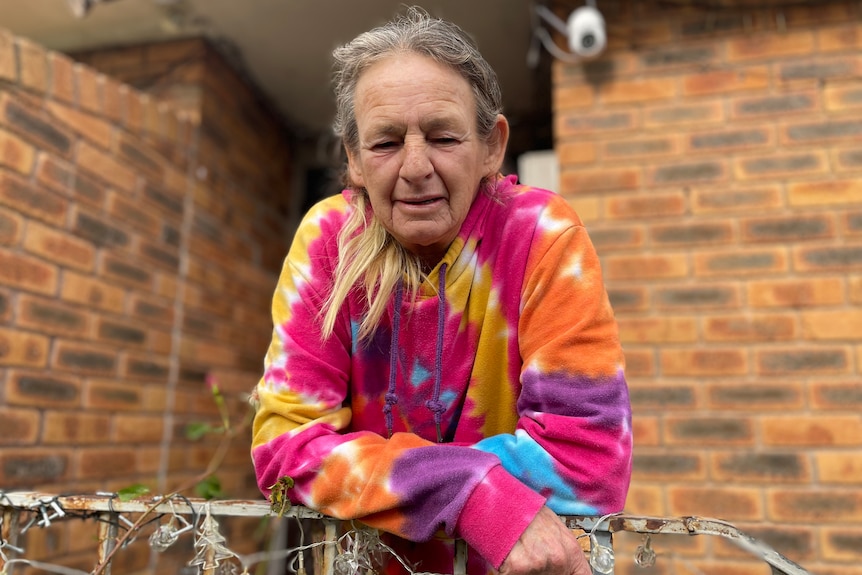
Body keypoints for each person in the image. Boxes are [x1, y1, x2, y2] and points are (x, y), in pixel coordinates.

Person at [251, 7, 631, 575]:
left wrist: (376, 476)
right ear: (353, 160)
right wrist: (468, 490)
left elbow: (588, 461)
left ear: (491, 146)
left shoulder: (543, 237)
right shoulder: (329, 241)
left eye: (444, 136)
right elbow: (285, 449)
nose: (415, 167)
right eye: (384, 143)